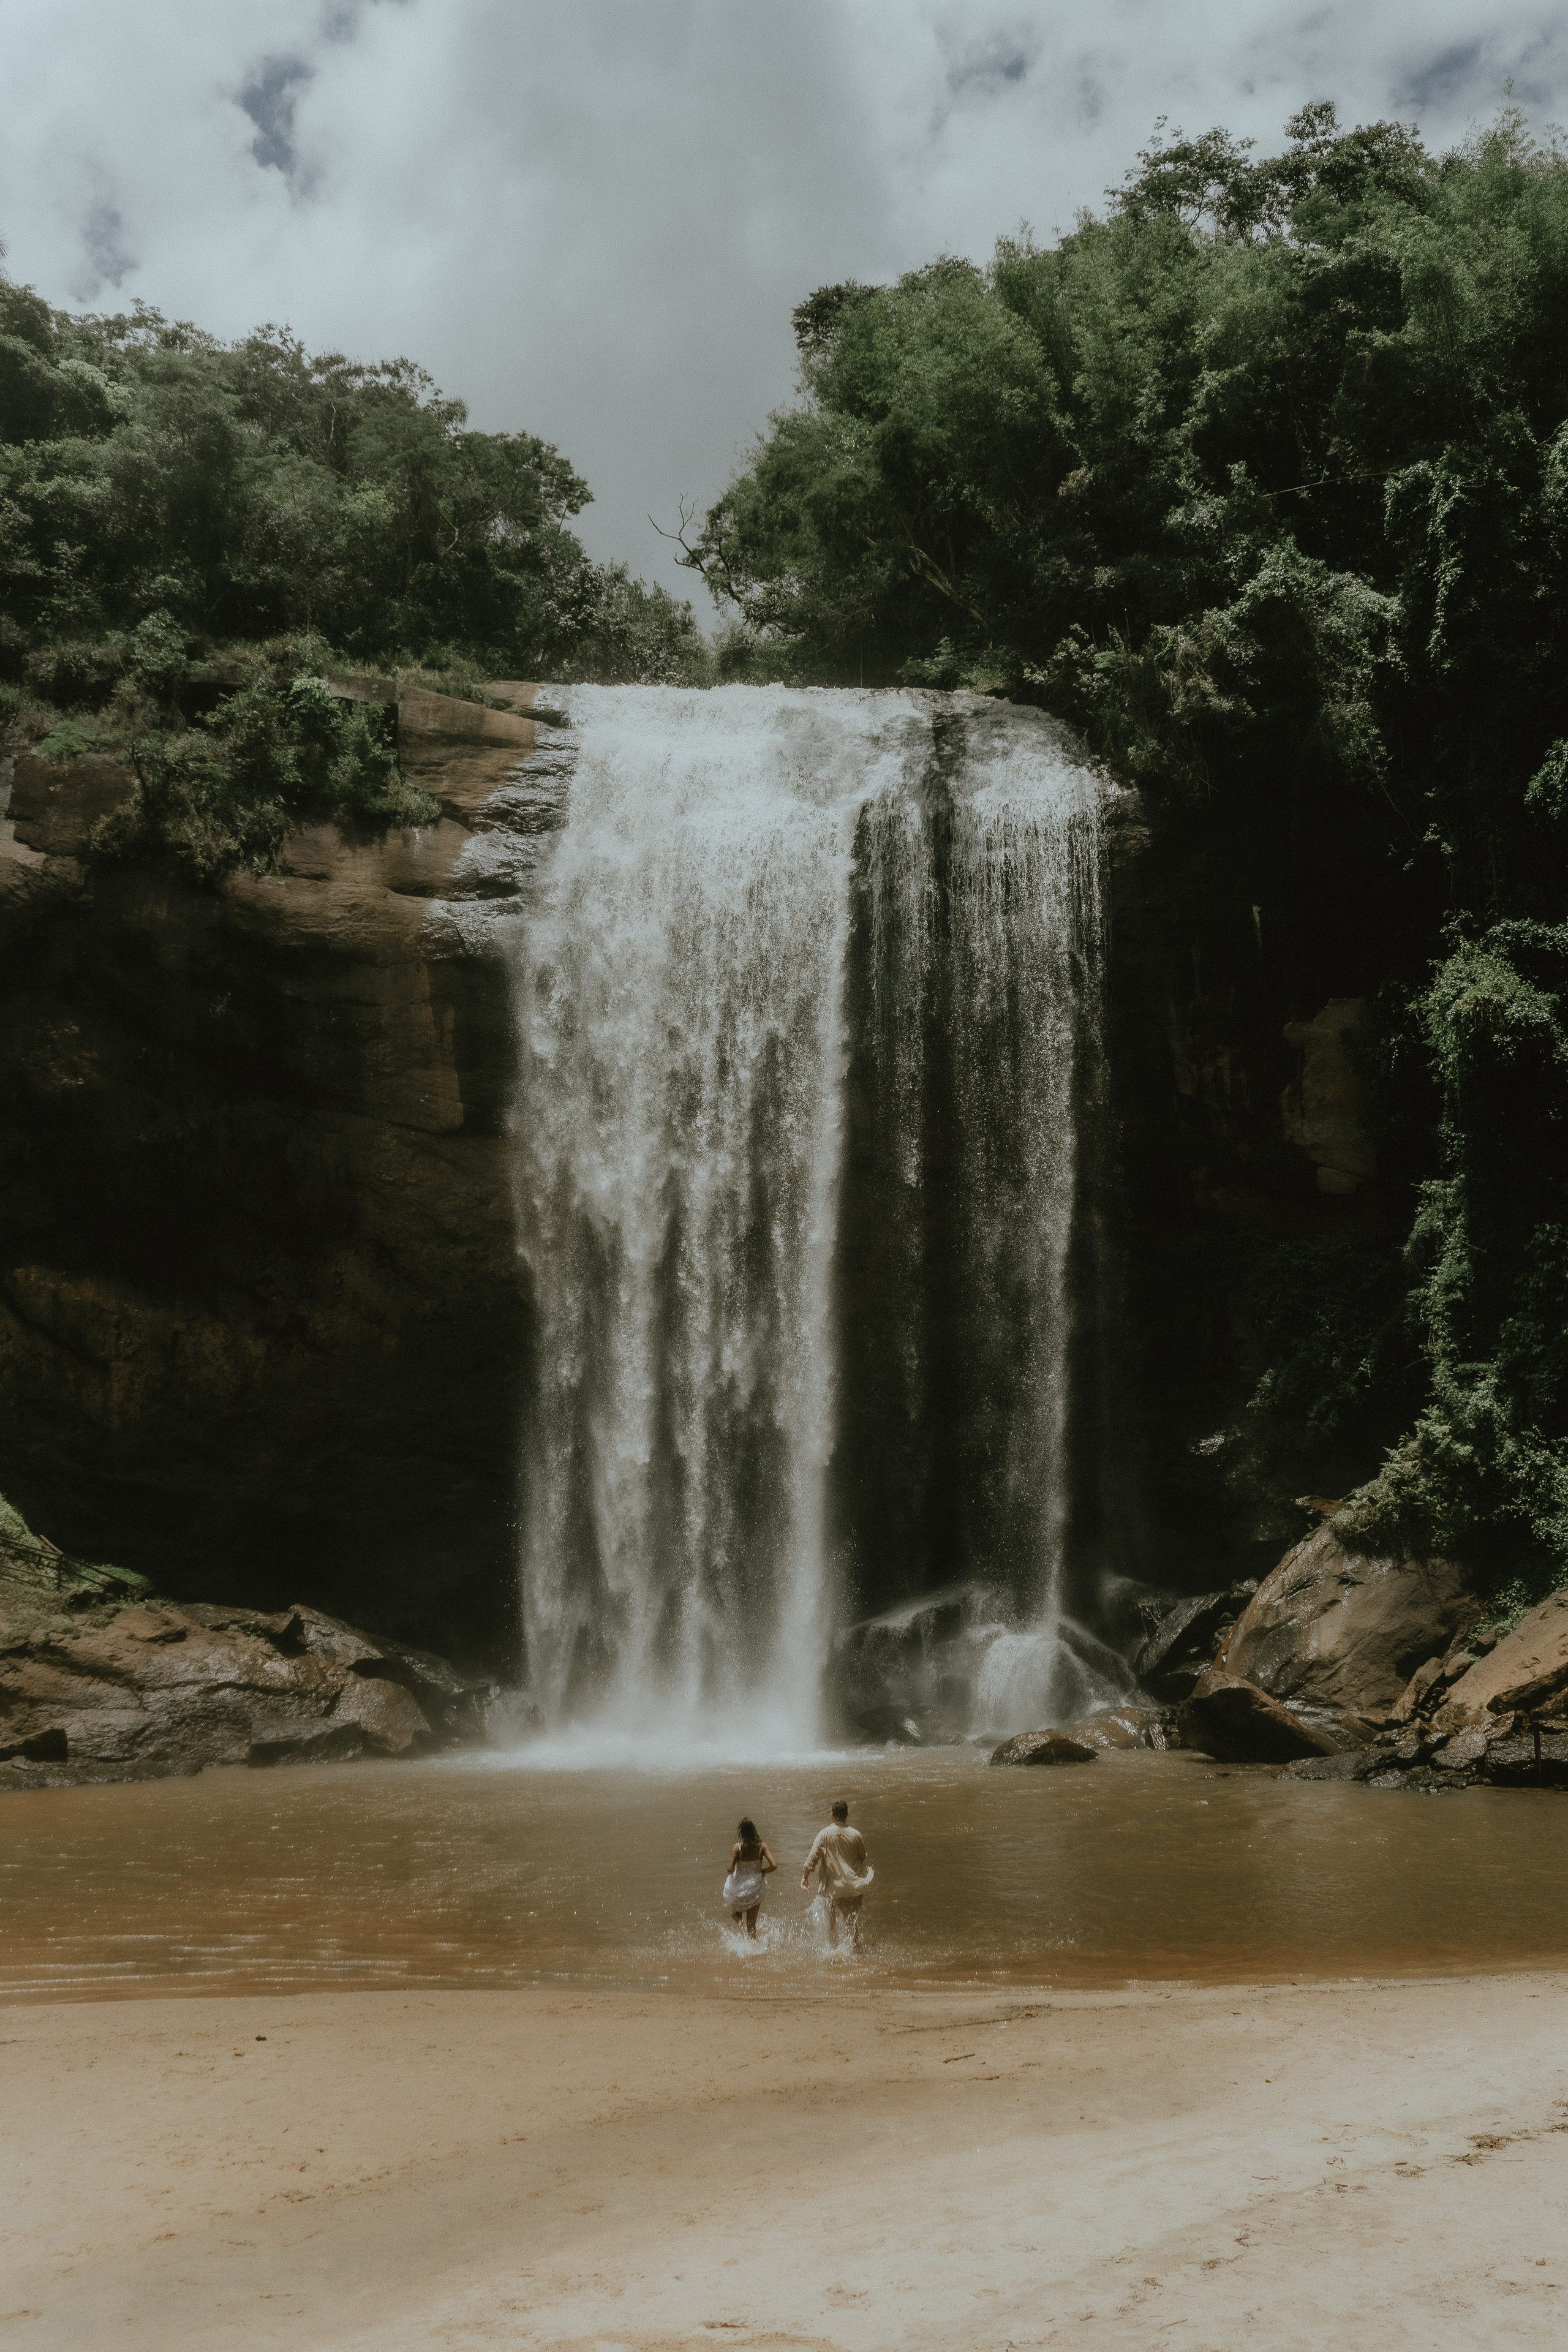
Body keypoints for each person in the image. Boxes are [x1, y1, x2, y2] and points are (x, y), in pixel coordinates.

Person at [801, 1798, 874, 1950]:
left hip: (831, 1888)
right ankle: (855, 1953)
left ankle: (832, 1953)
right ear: (847, 1815)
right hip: (851, 1886)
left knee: (830, 1926)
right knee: (851, 1924)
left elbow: (812, 1859)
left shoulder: (824, 1834)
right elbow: (863, 1857)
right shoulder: (856, 1834)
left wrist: (805, 1878)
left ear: (832, 1815)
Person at [722, 1816, 778, 1939]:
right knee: (752, 1924)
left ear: (741, 1832)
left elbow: (730, 1869)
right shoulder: (762, 1847)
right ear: (754, 1830)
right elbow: (774, 1865)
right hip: (756, 1887)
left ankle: (739, 1922)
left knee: (735, 1914)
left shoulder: (737, 1848)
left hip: (739, 1888)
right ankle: (754, 1949)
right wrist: (763, 1872)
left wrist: (734, 1864)